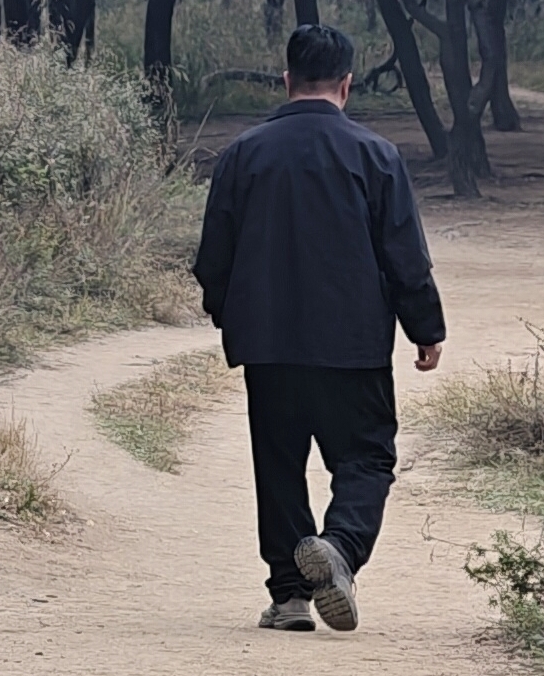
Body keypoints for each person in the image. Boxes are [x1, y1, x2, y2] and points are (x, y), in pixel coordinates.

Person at [192, 24, 448, 633]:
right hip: (353, 346)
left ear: (287, 80)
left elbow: (213, 259)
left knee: (277, 464)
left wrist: (234, 317)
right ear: (347, 84)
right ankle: (340, 547)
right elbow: (404, 255)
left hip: (270, 346)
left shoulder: (243, 154)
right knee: (366, 459)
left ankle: (288, 597)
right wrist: (425, 327)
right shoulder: (375, 155)